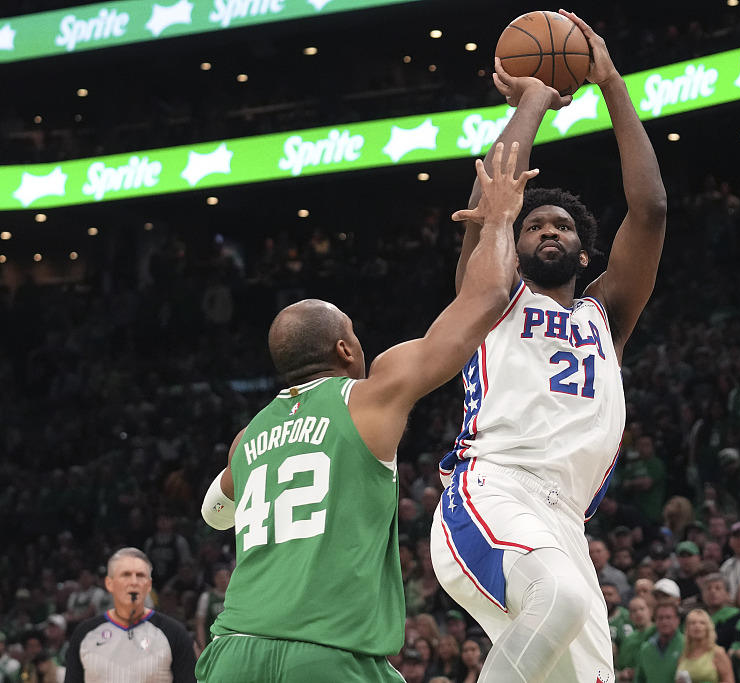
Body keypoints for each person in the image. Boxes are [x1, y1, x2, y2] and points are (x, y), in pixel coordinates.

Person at [194, 141, 536, 683]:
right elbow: (490, 295)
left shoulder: (248, 437)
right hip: (325, 655)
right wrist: (499, 219)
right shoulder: (369, 395)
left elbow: (215, 513)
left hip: (232, 652)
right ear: (346, 351)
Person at [430, 10, 667, 683]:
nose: (546, 230)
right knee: (557, 600)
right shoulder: (491, 298)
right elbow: (489, 204)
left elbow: (649, 210)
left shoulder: (605, 313)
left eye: (560, 224)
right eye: (532, 224)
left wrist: (611, 80)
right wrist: (536, 96)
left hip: (565, 523)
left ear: (584, 249)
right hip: (493, 487)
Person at [64, 548, 196, 683]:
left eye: (140, 575)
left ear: (149, 584)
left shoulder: (174, 633)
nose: (133, 582)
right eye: (125, 575)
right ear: (110, 584)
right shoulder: (85, 633)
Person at [675, 609, 734, 683]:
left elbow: (729, 681)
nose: (697, 626)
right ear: (687, 628)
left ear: (708, 627)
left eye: (702, 623)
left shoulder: (718, 653)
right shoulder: (682, 653)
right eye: (693, 623)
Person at [636, 603, 685, 683]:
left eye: (668, 617)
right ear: (655, 621)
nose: (664, 622)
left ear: (677, 620)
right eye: (660, 618)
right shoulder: (645, 649)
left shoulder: (687, 645)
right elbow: (639, 679)